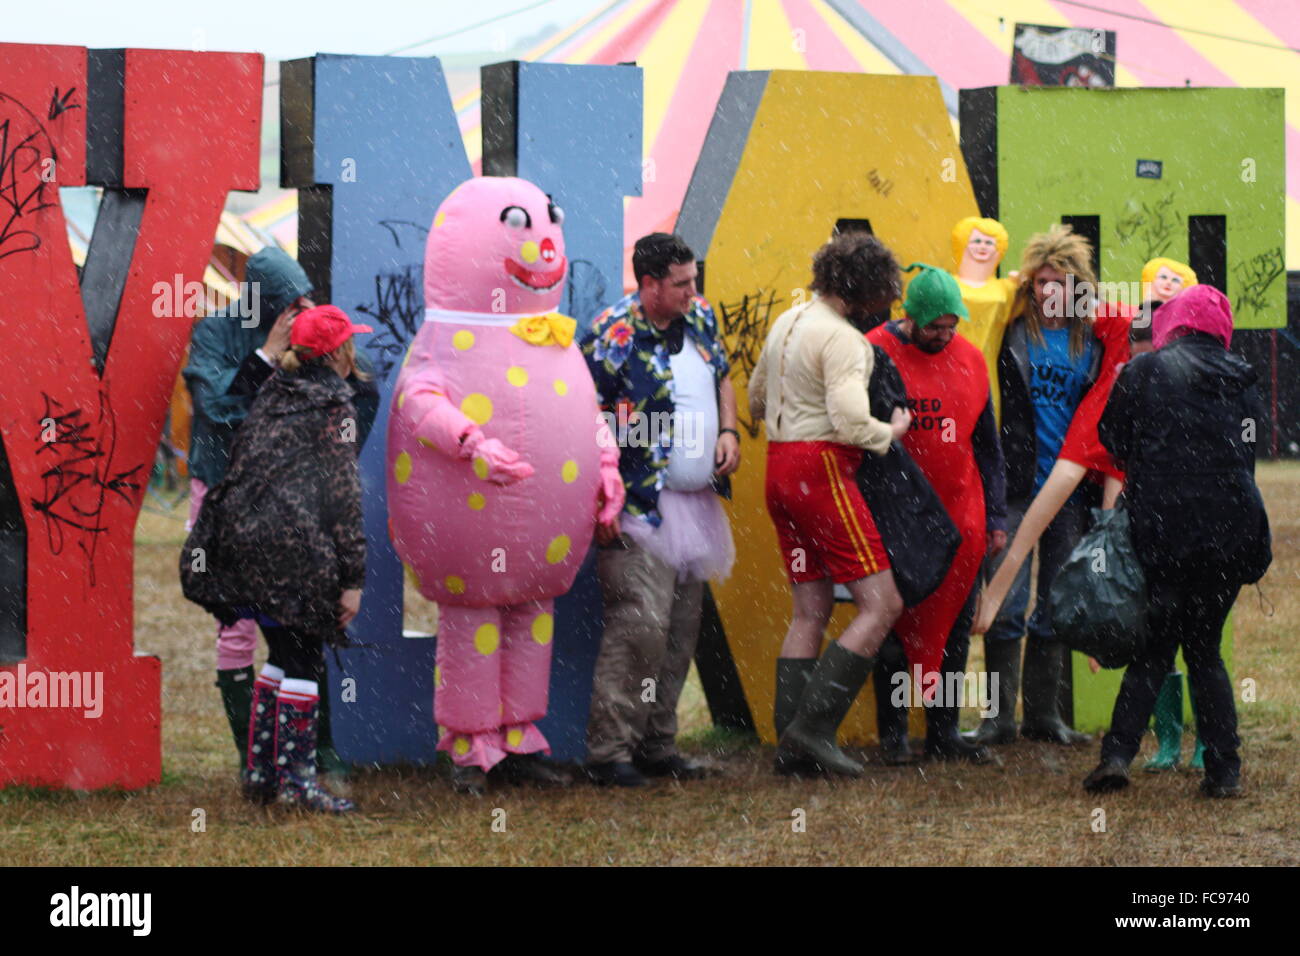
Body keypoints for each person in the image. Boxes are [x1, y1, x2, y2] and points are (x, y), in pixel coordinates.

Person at [183, 247, 377, 774]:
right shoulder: (215, 333)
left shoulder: (312, 331)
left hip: (291, 500)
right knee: (240, 626)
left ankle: (314, 748)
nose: (299, 309)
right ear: (260, 305)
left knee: (306, 620)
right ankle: (257, 757)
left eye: (302, 297)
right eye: (286, 302)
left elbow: (359, 385)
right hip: (227, 494)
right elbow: (216, 408)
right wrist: (268, 358)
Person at [1084, 285, 1271, 798]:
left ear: (1174, 323)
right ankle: (1224, 770)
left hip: (1164, 534)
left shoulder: (1144, 372)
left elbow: (1112, 439)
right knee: (1206, 651)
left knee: (1154, 648)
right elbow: (1249, 455)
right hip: (1230, 537)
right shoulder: (1245, 382)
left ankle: (1117, 756)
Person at [749, 232, 911, 777]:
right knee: (881, 604)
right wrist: (890, 430)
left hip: (778, 470)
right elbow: (847, 420)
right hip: (820, 470)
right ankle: (813, 731)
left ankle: (789, 744)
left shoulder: (788, 320)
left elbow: (755, 398)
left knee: (809, 612)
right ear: (868, 288)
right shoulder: (846, 340)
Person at [581, 233, 740, 787]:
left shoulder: (700, 319)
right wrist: (603, 488)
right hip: (638, 504)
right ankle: (609, 754)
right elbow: (585, 413)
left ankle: (657, 744)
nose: (694, 291)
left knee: (678, 630)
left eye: (694, 280)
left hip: (694, 506)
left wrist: (727, 429)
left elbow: (721, 373)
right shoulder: (612, 334)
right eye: (682, 283)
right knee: (639, 625)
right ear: (648, 285)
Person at [866, 264, 1007, 764]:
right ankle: (895, 738)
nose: (944, 336)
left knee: (953, 627)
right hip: (898, 520)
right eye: (934, 328)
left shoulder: (971, 359)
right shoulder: (875, 352)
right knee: (893, 627)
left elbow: (988, 447)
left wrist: (996, 518)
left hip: (961, 522)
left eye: (952, 326)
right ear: (910, 317)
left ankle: (944, 734)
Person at [980, 225, 1102, 746]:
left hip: (1069, 488)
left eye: (1061, 282)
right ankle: (997, 718)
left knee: (1057, 602)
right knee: (1004, 603)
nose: (1050, 291)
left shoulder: (1091, 340)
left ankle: (1043, 716)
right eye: (1042, 282)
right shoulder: (1011, 331)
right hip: (1016, 482)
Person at [950, 216, 1019, 425]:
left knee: (986, 427)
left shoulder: (1006, 288)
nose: (983, 247)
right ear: (963, 242)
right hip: (949, 369)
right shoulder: (947, 283)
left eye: (990, 242)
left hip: (986, 371)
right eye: (976, 241)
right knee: (950, 426)